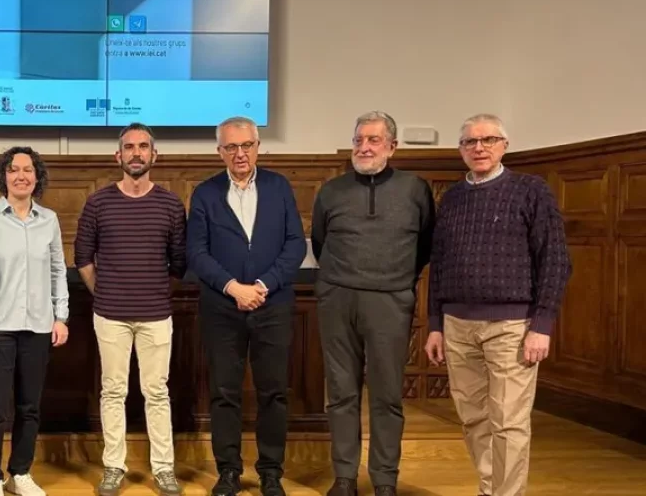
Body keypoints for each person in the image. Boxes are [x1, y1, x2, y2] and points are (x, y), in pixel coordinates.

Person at [424, 114, 572, 496]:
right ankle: (490, 489)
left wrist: (542, 325)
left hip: (512, 326)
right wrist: (435, 323)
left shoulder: (530, 190)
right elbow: (439, 264)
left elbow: (555, 258)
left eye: (489, 139)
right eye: (470, 142)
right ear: (460, 150)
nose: (479, 147)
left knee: (508, 422)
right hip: (457, 325)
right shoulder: (453, 197)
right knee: (473, 418)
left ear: (504, 144)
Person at [311, 112, 436, 496]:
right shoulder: (331, 191)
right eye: (358, 140)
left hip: (389, 302)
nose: (364, 147)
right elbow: (319, 243)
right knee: (342, 394)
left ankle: (384, 480)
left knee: (386, 395)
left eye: (374, 140)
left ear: (392, 146)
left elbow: (426, 246)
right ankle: (345, 477)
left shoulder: (415, 189)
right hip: (337, 299)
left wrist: (397, 284)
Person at [187, 116, 306, 496]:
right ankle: (229, 472)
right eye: (231, 147)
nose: (240, 153)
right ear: (220, 151)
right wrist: (233, 288)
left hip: (273, 305)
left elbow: (294, 245)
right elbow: (197, 253)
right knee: (225, 392)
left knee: (274, 392)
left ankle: (271, 472)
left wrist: (262, 286)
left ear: (258, 146)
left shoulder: (279, 186)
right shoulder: (205, 193)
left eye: (247, 145)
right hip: (223, 308)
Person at [74, 122, 187, 496]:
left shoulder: (170, 204)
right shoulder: (98, 202)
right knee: (113, 392)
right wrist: (106, 294)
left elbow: (178, 263)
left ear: (154, 155)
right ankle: (113, 467)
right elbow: (83, 258)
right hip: (109, 315)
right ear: (117, 155)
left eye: (143, 147)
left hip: (157, 315)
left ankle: (164, 468)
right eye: (129, 147)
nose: (136, 153)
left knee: (157, 392)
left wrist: (152, 292)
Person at [0, 146, 70, 496]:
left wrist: (61, 316)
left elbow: (58, 270)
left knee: (30, 407)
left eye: (28, 169)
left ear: (37, 177)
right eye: (14, 169)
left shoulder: (50, 219)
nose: (21, 175)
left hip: (40, 327)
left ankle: (20, 472)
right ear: (4, 176)